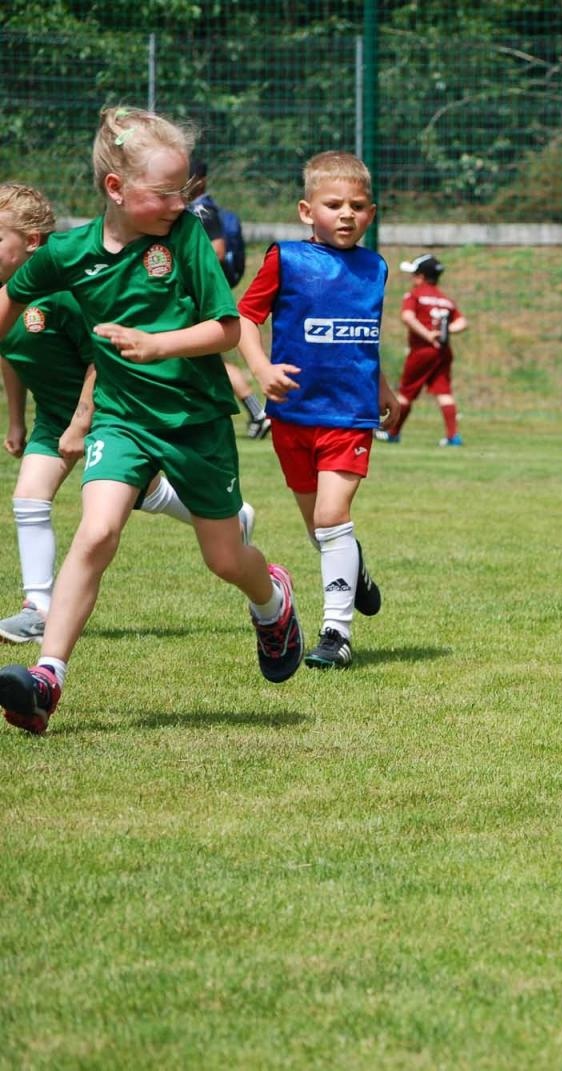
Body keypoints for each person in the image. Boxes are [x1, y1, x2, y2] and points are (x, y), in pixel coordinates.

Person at [0, 106, 304, 735]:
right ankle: (46, 677)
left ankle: (272, 600)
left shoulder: (187, 238)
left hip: (194, 421)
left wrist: (159, 344)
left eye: (184, 189)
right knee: (96, 531)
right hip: (122, 418)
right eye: (166, 191)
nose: (179, 202)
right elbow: (14, 292)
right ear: (116, 188)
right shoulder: (69, 253)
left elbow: (226, 329)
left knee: (225, 559)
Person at [0, 183, 256, 645]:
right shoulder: (14, 297)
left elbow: (103, 357)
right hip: (57, 419)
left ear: (31, 243)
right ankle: (39, 608)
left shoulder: (64, 295)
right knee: (33, 499)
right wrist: (17, 419)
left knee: (152, 501)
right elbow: (10, 356)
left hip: (108, 410)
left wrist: (83, 421)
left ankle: (230, 522)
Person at [235, 151, 395, 671]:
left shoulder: (375, 268)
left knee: (331, 517)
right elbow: (244, 316)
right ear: (308, 211)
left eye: (358, 206)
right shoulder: (286, 259)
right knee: (320, 527)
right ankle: (356, 569)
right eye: (334, 204)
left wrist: (383, 388)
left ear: (371, 213)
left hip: (348, 415)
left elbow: (363, 338)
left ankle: (336, 634)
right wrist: (261, 369)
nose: (346, 214)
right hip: (293, 416)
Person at [186, 157, 272, 440]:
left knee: (208, 358)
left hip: (200, 297)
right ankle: (256, 412)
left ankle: (258, 412)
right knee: (203, 359)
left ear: (199, 180)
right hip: (202, 296)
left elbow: (217, 252)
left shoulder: (202, 211)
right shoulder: (199, 210)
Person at [383, 253, 467, 446]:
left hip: (422, 352)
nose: (412, 279)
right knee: (444, 393)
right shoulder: (445, 299)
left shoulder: (415, 295)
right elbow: (462, 322)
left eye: (414, 274)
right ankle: (453, 436)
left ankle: (393, 433)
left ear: (421, 276)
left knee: (406, 393)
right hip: (443, 351)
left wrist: (428, 335)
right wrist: (445, 332)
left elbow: (407, 317)